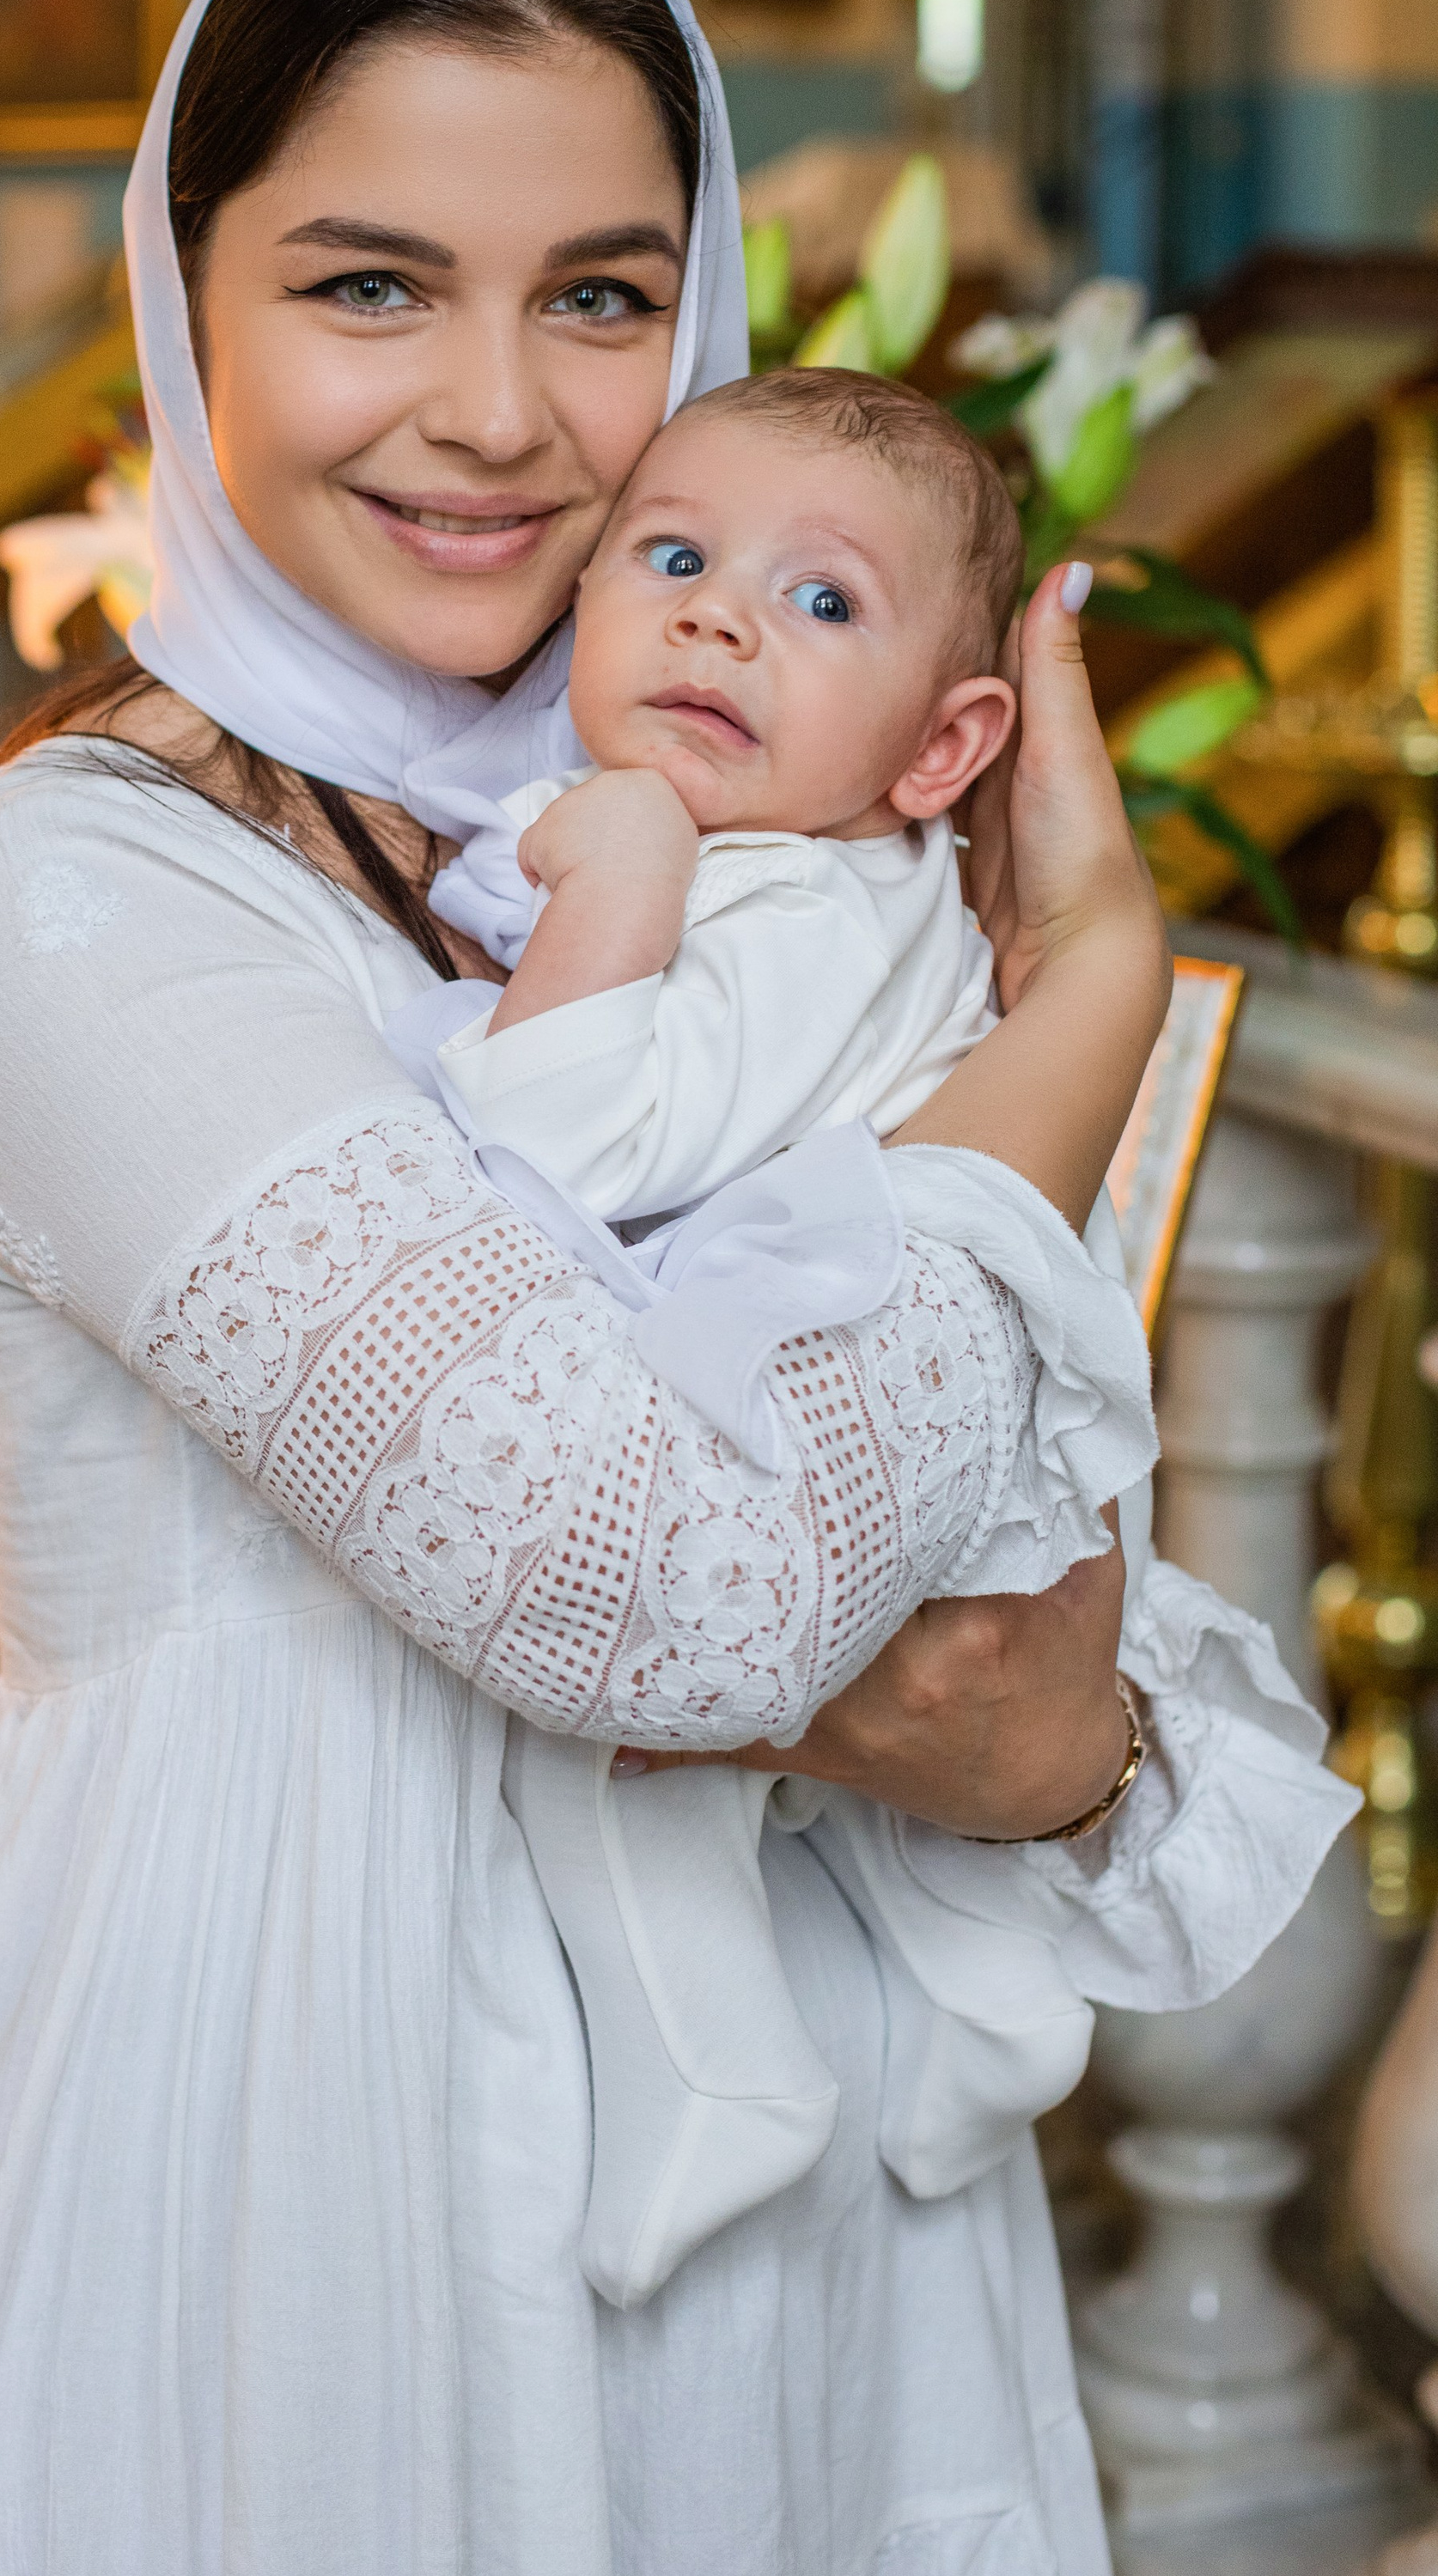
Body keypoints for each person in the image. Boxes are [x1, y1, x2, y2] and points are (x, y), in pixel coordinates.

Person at [0, 0, 1331, 2576]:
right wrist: (1081, 1005)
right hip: (303, 2153)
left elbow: (1103, 1665)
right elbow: (689, 1605)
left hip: (817, 2225)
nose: (501, 417)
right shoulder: (78, 908)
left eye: (604, 296)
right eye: (370, 283)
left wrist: (1062, 1745)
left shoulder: (770, 859)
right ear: (184, 293)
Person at [387, 364, 1350, 2313]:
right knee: (863, 1795)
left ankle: (715, 2076)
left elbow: (558, 1139)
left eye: (818, 602)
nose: (719, 614)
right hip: (904, 1427)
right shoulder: (846, 878)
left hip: (805, 1437)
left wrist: (621, 879)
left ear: (945, 748)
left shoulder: (770, 908)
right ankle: (987, 2009)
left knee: (605, 1768)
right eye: (669, 558)